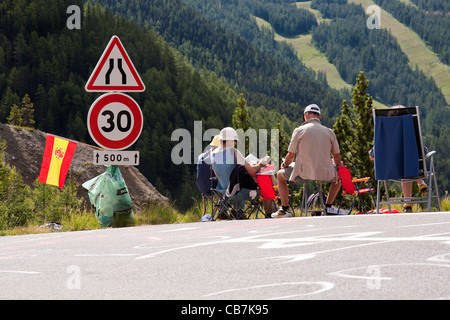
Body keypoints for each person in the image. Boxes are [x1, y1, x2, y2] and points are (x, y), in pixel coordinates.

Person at [272, 104, 343, 218]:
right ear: (319, 117)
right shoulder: (329, 132)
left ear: (305, 115)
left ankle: (285, 209)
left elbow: (291, 156)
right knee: (339, 176)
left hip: (303, 173)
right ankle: (328, 206)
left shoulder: (299, 130)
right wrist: (339, 167)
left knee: (280, 175)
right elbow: (337, 157)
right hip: (325, 173)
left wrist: (284, 165)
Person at [369, 105, 428, 213]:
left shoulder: (384, 135)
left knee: (404, 166)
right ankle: (408, 200)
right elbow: (423, 152)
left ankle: (413, 193)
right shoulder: (411, 134)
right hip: (409, 169)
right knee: (407, 164)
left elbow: (372, 156)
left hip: (389, 170)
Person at [211, 127, 265, 215]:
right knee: (256, 185)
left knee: (237, 178)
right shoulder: (233, 152)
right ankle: (238, 210)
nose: (235, 143)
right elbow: (251, 171)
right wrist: (260, 164)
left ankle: (236, 211)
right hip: (238, 192)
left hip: (222, 190)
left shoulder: (212, 154)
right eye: (234, 140)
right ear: (229, 140)